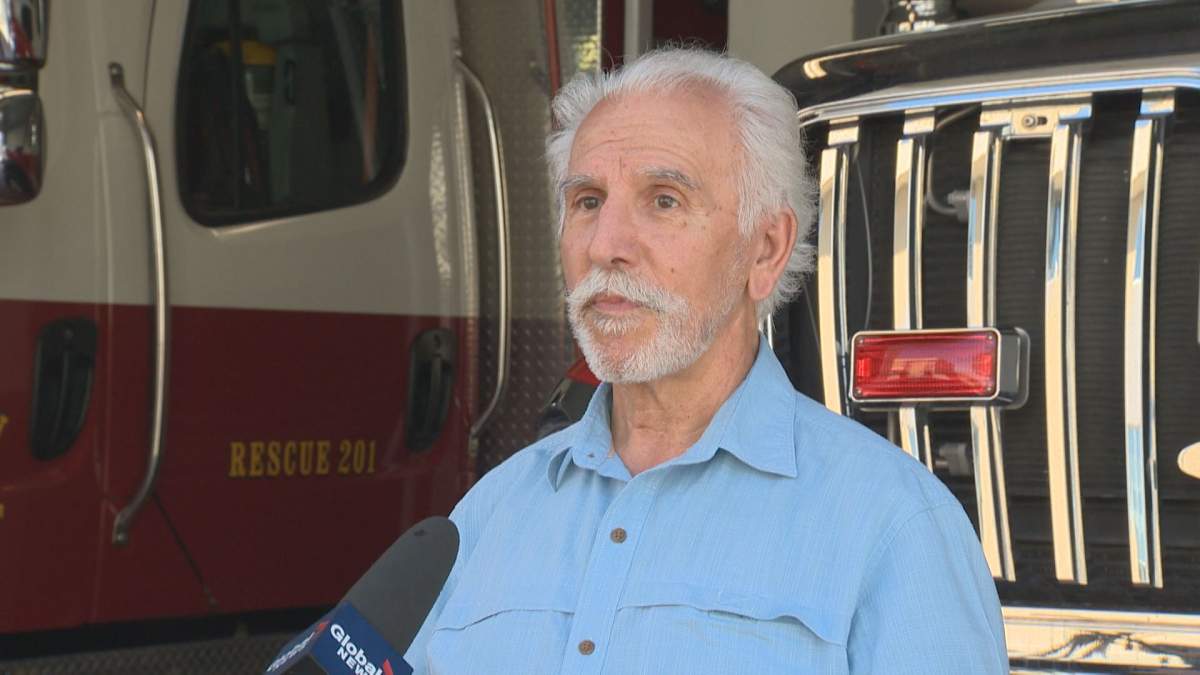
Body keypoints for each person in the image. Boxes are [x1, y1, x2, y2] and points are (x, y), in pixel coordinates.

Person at [405, 47, 1008, 674]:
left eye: (664, 200)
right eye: (587, 200)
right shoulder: (490, 512)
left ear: (766, 249)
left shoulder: (894, 525)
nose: (606, 245)